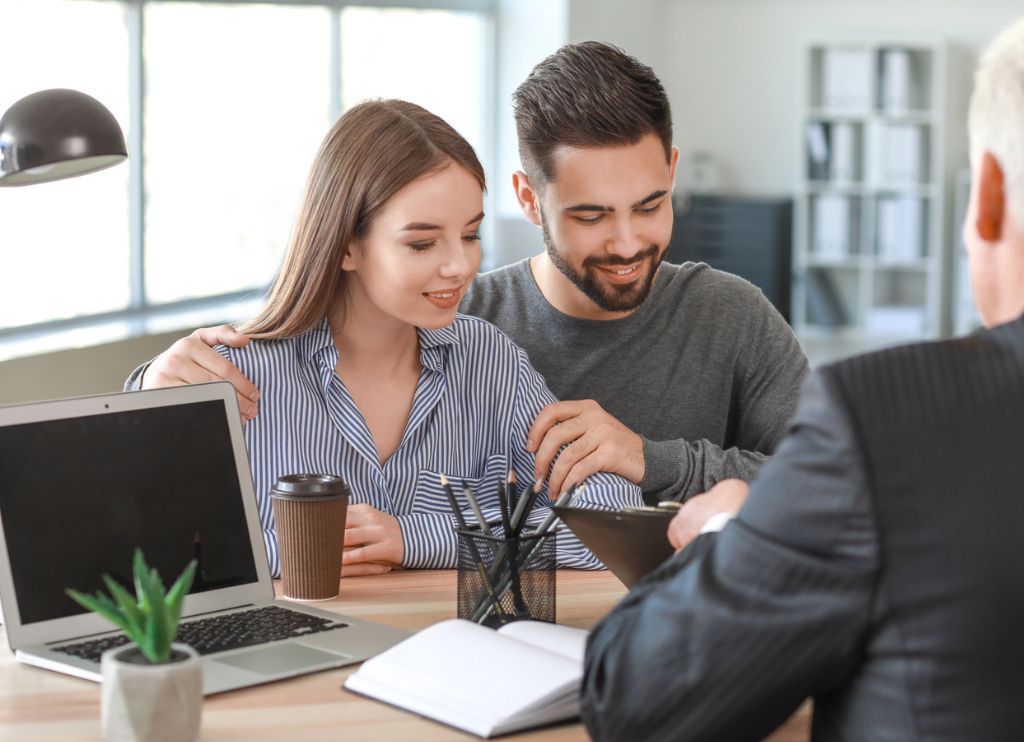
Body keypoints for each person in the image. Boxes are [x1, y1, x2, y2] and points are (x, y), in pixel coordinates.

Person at [580, 18, 1024, 742]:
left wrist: (728, 536)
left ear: (985, 193)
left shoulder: (889, 420)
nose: (625, 242)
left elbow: (635, 704)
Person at [126, 42, 809, 505]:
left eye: (651, 205)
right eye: (593, 215)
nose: (628, 241)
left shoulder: (730, 314)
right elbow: (293, 338)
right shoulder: (457, 318)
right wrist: (154, 384)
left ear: (672, 173)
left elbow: (837, 482)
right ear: (528, 198)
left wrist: (651, 460)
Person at [184, 99, 641, 578]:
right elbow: (166, 557)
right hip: (299, 648)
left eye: (469, 235)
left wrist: (416, 537)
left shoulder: (487, 359)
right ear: (345, 246)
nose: (461, 266)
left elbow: (609, 523)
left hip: (447, 646)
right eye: (422, 243)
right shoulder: (235, 371)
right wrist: (297, 553)